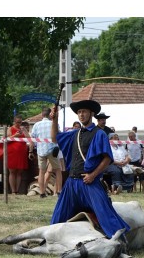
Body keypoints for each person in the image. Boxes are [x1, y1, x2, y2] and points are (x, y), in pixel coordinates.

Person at [50, 99, 130, 240]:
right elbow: (54, 138)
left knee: (105, 214)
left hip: (89, 183)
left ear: (91, 113)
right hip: (71, 183)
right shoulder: (74, 133)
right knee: (57, 218)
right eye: (79, 112)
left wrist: (93, 175)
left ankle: (120, 241)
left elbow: (107, 159)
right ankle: (50, 239)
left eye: (84, 112)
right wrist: (54, 119)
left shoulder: (99, 134)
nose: (81, 115)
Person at [31, 107, 62, 198]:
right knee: (58, 170)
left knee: (41, 172)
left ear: (42, 114)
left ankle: (42, 192)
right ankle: (59, 191)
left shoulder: (36, 125)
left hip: (41, 150)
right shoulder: (53, 123)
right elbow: (59, 134)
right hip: (52, 150)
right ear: (50, 114)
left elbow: (33, 137)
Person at [7, 115, 33, 195]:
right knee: (12, 171)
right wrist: (15, 135)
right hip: (12, 152)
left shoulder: (23, 129)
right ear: (14, 122)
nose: (19, 124)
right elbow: (7, 139)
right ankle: (13, 191)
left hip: (22, 152)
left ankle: (17, 190)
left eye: (20, 122)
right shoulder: (10, 129)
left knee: (19, 172)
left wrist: (25, 131)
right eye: (17, 122)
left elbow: (29, 139)